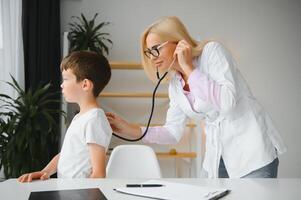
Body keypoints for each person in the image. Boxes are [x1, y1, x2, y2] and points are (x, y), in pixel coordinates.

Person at [106, 16, 287, 178]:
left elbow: (226, 102)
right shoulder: (175, 86)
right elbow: (172, 133)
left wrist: (189, 69)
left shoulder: (212, 52)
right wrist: (129, 129)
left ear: (178, 42)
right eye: (148, 52)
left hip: (252, 152)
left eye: (156, 49)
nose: (152, 58)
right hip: (217, 156)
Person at [18, 51, 112, 182]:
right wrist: (45, 171)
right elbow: (67, 154)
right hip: (68, 190)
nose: (62, 84)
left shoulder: (94, 120)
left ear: (85, 84)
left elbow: (99, 174)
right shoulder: (81, 117)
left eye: (66, 79)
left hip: (80, 193)